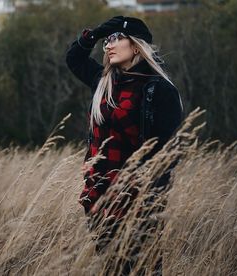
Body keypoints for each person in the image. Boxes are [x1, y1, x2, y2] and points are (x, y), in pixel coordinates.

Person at [65, 16, 184, 218]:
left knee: (136, 250)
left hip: (136, 197)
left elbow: (167, 153)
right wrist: (94, 35)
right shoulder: (103, 82)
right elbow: (74, 59)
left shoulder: (159, 89)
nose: (108, 46)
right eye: (106, 41)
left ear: (137, 46)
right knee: (102, 250)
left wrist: (149, 198)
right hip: (97, 193)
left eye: (116, 38)